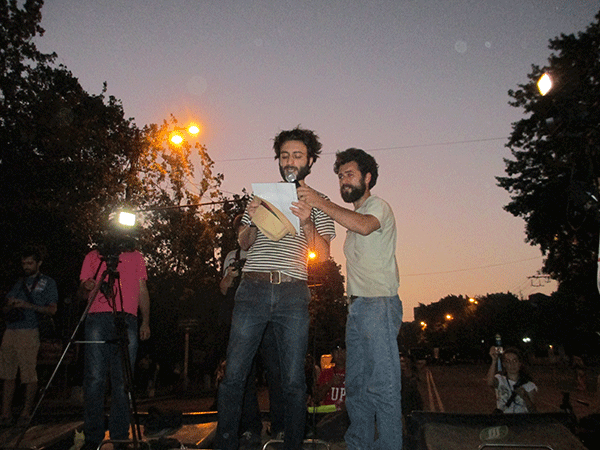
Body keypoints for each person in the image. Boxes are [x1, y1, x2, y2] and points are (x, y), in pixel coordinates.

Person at [215, 126, 336, 450]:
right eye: (284, 156)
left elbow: (323, 255)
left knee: (293, 381)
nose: (290, 161)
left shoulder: (321, 202)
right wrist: (253, 221)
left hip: (292, 293)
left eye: (297, 155)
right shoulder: (261, 197)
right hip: (252, 290)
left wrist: (307, 221)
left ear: (310, 161)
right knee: (234, 375)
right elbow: (243, 242)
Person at [298, 148, 403, 450]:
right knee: (355, 388)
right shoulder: (352, 217)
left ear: (367, 178)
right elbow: (327, 242)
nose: (344, 180)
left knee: (383, 386)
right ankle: (359, 445)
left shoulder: (377, 207)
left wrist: (320, 201)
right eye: (340, 176)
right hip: (356, 309)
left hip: (378, 304)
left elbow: (364, 225)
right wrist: (308, 217)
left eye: (350, 174)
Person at [78, 228, 150, 450]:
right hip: (97, 319)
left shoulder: (136, 256)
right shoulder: (93, 256)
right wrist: (87, 286)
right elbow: (82, 291)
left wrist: (145, 321)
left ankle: (120, 437)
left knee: (123, 382)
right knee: (94, 378)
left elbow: (142, 289)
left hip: (127, 319)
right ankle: (93, 438)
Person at [218, 214, 285, 449]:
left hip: (269, 320)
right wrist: (230, 276)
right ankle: (250, 428)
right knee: (241, 375)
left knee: (276, 373)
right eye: (240, 230)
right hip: (243, 319)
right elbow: (223, 289)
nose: (243, 232)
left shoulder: (266, 250)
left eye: (246, 228)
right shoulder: (232, 256)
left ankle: (280, 426)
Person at [0, 246, 58, 427]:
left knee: (28, 374)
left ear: (39, 263)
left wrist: (28, 306)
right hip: (11, 330)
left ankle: (26, 413)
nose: (26, 266)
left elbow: (52, 310)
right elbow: (6, 305)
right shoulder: (19, 282)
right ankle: (5, 414)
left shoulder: (48, 282)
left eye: (30, 263)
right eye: (24, 263)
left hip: (30, 330)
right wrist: (10, 305)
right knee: (8, 373)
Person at [308, 342, 349, 442]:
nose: (340, 354)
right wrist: (329, 383)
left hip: (346, 414)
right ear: (332, 354)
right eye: (336, 351)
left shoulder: (353, 373)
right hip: (327, 413)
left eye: (343, 351)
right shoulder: (326, 373)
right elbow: (316, 398)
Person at [487, 346, 537, 413]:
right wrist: (494, 360)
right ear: (504, 364)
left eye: (515, 361)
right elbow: (490, 382)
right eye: (508, 361)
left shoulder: (529, 385)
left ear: (520, 363)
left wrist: (525, 397)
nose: (512, 364)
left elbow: (533, 411)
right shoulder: (500, 380)